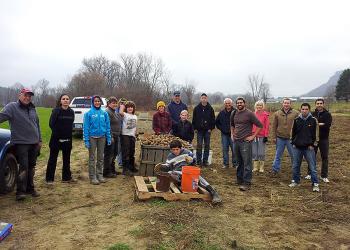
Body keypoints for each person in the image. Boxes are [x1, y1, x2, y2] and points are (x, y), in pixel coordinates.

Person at [0, 88, 41, 200]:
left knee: (32, 167)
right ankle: (20, 192)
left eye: (29, 96)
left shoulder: (33, 109)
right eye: (25, 95)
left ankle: (30, 189)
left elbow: (37, 125)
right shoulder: (12, 107)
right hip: (21, 142)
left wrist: (40, 140)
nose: (27, 98)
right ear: (20, 95)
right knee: (24, 167)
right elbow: (1, 116)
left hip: (34, 142)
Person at [155, 139, 222, 204]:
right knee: (170, 173)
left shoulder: (187, 152)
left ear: (180, 148)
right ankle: (180, 183)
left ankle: (214, 193)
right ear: (171, 149)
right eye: (173, 150)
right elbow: (168, 166)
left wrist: (191, 160)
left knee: (198, 177)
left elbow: (194, 162)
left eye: (177, 149)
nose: (175, 151)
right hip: (177, 174)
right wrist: (161, 166)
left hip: (188, 173)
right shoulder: (170, 156)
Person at [231, 97, 263, 191]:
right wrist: (232, 134)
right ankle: (239, 180)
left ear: (244, 103)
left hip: (245, 142)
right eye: (238, 103)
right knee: (239, 161)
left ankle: (247, 183)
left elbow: (260, 125)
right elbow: (232, 125)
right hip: (236, 141)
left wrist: (253, 137)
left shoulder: (249, 114)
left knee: (247, 163)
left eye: (241, 102)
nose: (239, 104)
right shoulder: (234, 113)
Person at [46, 94, 76, 185]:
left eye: (67, 99)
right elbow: (51, 124)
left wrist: (67, 136)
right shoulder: (56, 111)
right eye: (63, 99)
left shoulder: (71, 112)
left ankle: (66, 177)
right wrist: (58, 135)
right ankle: (49, 179)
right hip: (56, 139)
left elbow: (70, 124)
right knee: (53, 159)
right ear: (60, 101)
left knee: (66, 160)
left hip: (68, 139)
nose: (66, 100)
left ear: (69, 101)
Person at [289, 103, 320, 192]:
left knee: (312, 167)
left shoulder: (313, 120)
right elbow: (293, 132)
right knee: (295, 166)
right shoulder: (296, 120)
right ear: (300, 109)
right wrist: (293, 142)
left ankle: (315, 184)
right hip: (297, 147)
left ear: (309, 110)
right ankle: (295, 181)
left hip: (308, 148)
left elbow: (316, 134)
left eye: (306, 109)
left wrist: (313, 145)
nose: (304, 111)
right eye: (303, 109)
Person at [83, 95, 111, 185]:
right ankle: (92, 177)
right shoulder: (88, 114)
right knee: (92, 158)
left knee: (100, 158)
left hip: (102, 137)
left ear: (101, 102)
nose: (97, 102)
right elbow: (86, 128)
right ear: (92, 102)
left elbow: (107, 127)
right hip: (92, 138)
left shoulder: (104, 113)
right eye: (95, 101)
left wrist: (109, 137)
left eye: (98, 101)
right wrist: (86, 140)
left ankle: (100, 175)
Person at [271, 98, 299, 175]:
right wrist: (274, 137)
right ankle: (275, 169)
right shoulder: (277, 113)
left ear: (290, 104)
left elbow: (299, 126)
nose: (286, 104)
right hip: (280, 138)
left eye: (288, 103)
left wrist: (297, 137)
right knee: (278, 155)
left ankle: (295, 169)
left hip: (291, 139)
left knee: (293, 155)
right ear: (282, 104)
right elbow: (274, 126)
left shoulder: (296, 113)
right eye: (285, 103)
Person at [306, 98, 332, 183]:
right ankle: (310, 173)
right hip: (314, 139)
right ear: (315, 104)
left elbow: (327, 125)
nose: (319, 105)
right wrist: (321, 123)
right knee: (311, 156)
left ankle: (324, 176)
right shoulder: (312, 114)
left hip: (324, 139)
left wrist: (317, 124)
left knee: (324, 157)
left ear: (323, 104)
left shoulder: (327, 114)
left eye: (321, 103)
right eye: (318, 103)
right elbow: (309, 125)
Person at [192, 93, 216, 167]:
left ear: (207, 99)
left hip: (207, 130)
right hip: (199, 130)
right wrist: (195, 128)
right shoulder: (196, 108)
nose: (204, 99)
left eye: (205, 98)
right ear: (200, 99)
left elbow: (213, 119)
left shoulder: (210, 108)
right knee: (199, 145)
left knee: (207, 145)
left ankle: (205, 161)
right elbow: (194, 119)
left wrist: (211, 128)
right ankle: (199, 162)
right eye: (202, 98)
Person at [103, 96, 123, 178]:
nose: (115, 104)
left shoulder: (115, 112)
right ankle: (106, 172)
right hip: (110, 136)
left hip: (116, 135)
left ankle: (112, 169)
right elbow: (107, 126)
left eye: (115, 103)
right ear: (109, 104)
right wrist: (110, 136)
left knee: (115, 153)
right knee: (109, 154)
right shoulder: (107, 112)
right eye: (113, 103)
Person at [215, 98, 237, 169]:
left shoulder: (236, 112)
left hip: (233, 134)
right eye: (226, 103)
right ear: (224, 104)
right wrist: (222, 129)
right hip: (224, 134)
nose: (228, 105)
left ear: (231, 104)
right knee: (225, 149)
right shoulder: (221, 113)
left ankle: (235, 164)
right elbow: (217, 122)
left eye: (229, 103)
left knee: (234, 149)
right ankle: (225, 164)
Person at [120, 101, 138, 176]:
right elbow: (120, 112)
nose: (130, 108)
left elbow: (135, 126)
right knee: (126, 152)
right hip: (125, 135)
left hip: (132, 136)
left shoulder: (135, 116)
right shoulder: (125, 115)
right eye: (128, 107)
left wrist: (136, 133)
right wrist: (122, 105)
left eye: (131, 107)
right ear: (126, 108)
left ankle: (131, 167)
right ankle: (125, 169)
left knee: (132, 152)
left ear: (133, 108)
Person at [252, 100, 270, 173]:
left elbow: (267, 126)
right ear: (255, 106)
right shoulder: (253, 114)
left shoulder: (265, 115)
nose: (259, 106)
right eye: (258, 105)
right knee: (254, 152)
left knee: (261, 152)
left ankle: (261, 167)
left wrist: (266, 136)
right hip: (253, 136)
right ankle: (255, 167)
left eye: (260, 105)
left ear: (263, 106)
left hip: (262, 136)